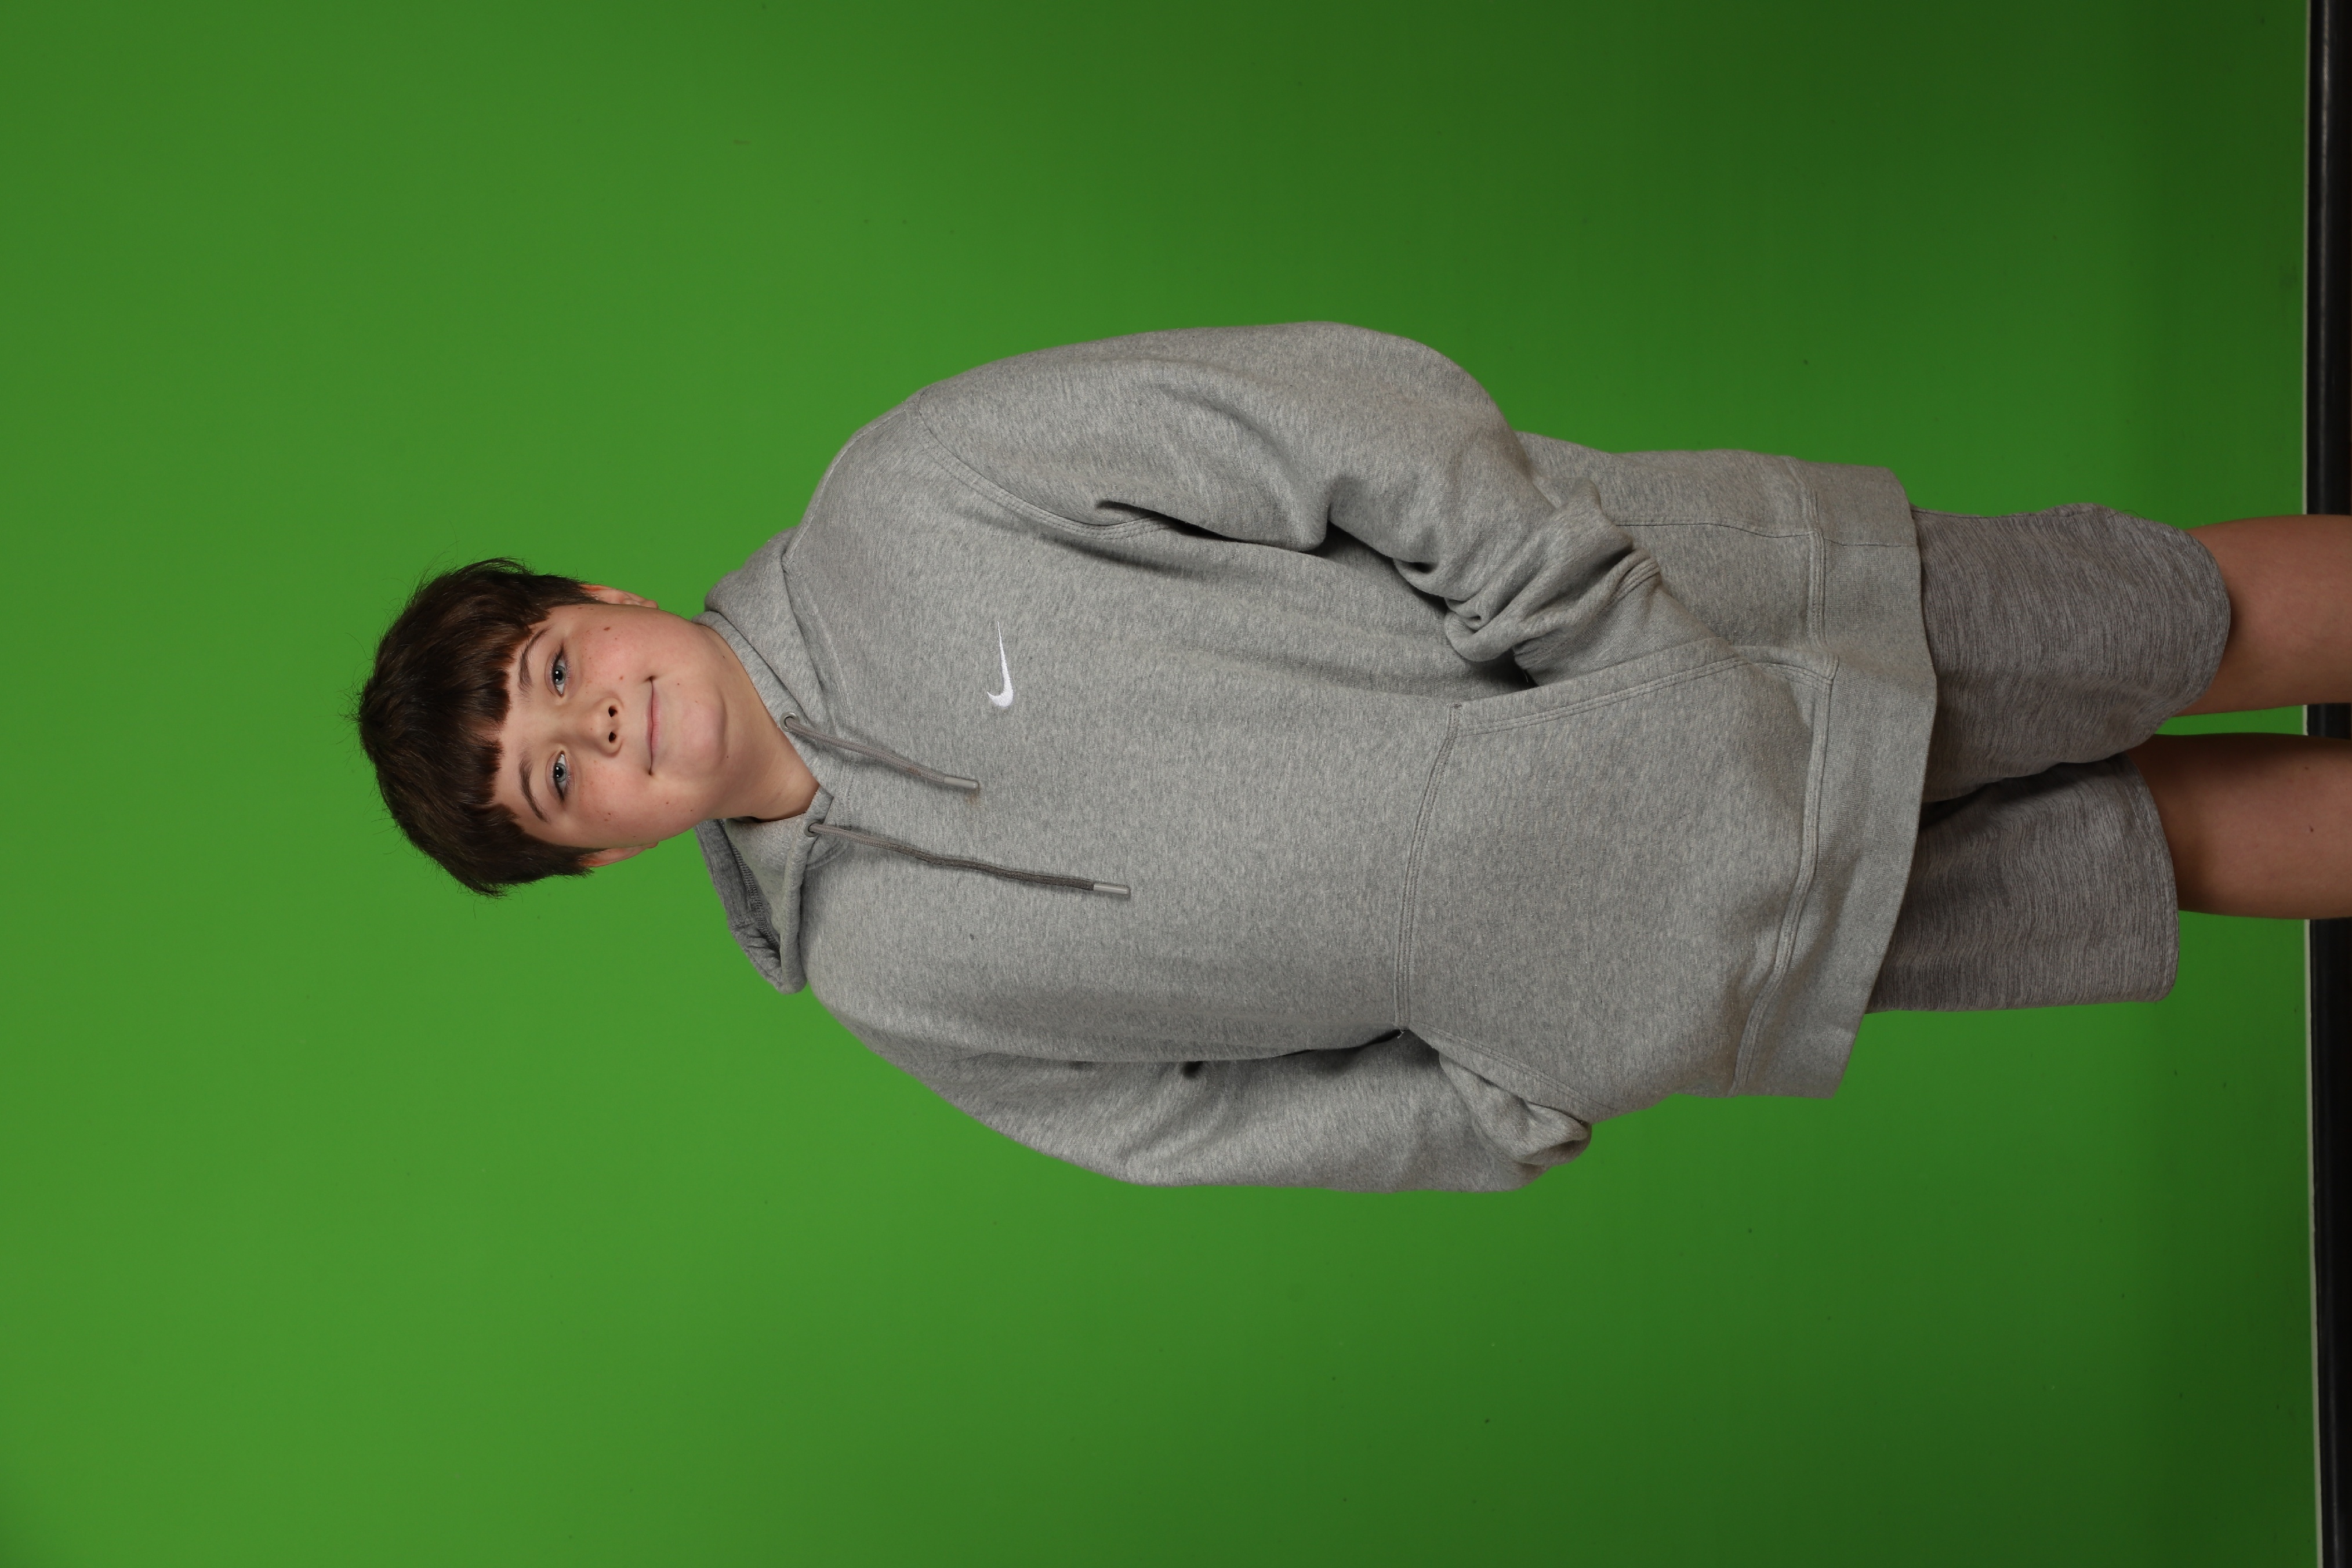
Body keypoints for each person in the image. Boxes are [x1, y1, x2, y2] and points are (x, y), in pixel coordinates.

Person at [357, 322, 2352, 1192]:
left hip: (1721, 625)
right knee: (2147, 858)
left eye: (553, 669)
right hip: (1685, 941)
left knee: (2168, 623)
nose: (590, 724)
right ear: (601, 854)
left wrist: (1615, 650)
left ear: (601, 599)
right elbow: (1190, 1132)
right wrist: (1508, 1098)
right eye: (554, 779)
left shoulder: (904, 501)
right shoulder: (887, 983)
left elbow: (1317, 421)